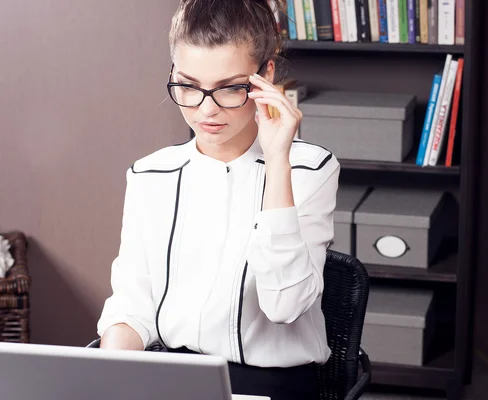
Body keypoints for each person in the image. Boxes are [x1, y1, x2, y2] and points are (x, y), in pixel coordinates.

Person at [96, 0, 340, 399]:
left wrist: (278, 157)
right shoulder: (150, 175)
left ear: (266, 78)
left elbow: (285, 306)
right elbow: (132, 305)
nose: (206, 110)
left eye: (230, 88)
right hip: (169, 376)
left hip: (268, 385)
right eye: (189, 86)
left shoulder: (309, 169)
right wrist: (111, 380)